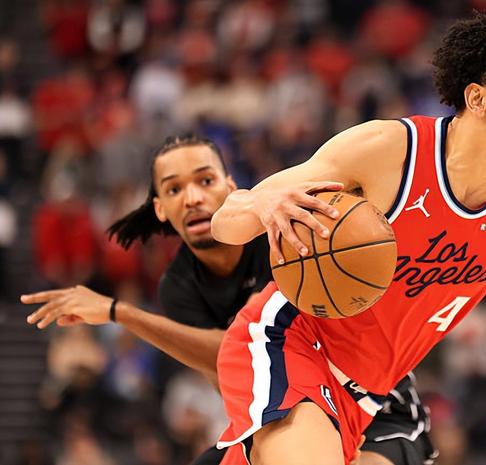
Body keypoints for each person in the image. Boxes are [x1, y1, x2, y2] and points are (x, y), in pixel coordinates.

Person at [207, 7, 486, 465]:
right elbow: (225, 223)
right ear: (477, 99)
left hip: (373, 391)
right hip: (293, 342)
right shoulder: (388, 152)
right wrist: (260, 204)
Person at [22, 136, 436, 465]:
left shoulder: (285, 239)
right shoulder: (178, 286)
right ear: (161, 209)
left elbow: (243, 352)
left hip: (381, 409)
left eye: (205, 181)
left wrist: (121, 313)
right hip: (299, 409)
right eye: (174, 188)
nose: (192, 197)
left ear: (232, 188)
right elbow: (233, 377)